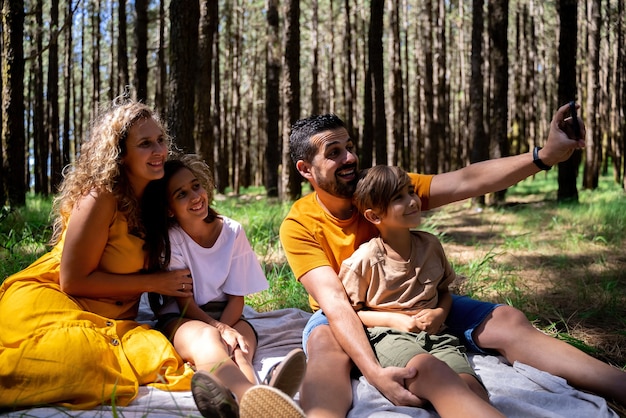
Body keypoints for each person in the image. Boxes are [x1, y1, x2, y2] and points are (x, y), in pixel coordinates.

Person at [279, 105, 626, 418]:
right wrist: (375, 374)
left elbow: (465, 180)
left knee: (507, 319)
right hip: (353, 312)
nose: (350, 158)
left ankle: (618, 384)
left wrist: (544, 156)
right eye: (334, 153)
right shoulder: (299, 223)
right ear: (306, 169)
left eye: (350, 147)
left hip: (421, 300)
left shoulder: (381, 187)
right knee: (326, 346)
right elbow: (337, 304)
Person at [0, 98, 302, 418]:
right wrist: (156, 282)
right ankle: (252, 401)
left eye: (160, 140)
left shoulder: (155, 199)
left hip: (119, 319)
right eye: (145, 144)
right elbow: (72, 281)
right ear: (120, 154)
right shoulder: (100, 197)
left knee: (159, 355)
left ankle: (252, 397)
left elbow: (200, 232)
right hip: (58, 301)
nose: (158, 150)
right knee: (72, 362)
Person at [141, 154, 306, 418]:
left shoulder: (232, 231)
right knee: (209, 341)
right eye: (181, 194)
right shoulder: (172, 240)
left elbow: (236, 299)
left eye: (196, 186)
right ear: (169, 208)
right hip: (183, 317)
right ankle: (255, 399)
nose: (195, 196)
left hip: (230, 313)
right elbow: (185, 304)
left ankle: (241, 402)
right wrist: (219, 329)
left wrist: (227, 329)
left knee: (241, 351)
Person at [338, 165, 504, 418]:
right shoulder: (364, 260)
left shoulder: (430, 246)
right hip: (389, 337)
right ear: (374, 216)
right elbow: (351, 314)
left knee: (470, 387)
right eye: (398, 198)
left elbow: (444, 292)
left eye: (411, 192)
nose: (413, 201)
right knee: (429, 371)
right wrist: (396, 320)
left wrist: (439, 313)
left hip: (438, 336)